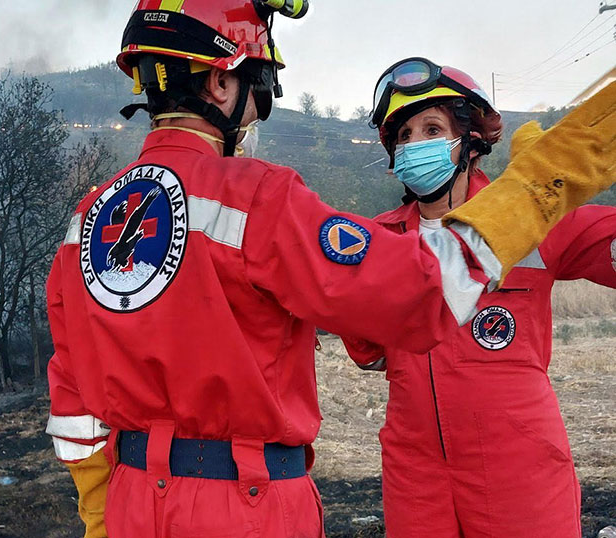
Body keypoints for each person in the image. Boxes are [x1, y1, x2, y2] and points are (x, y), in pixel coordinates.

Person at [44, 2, 616, 536]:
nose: (258, 104)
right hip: (245, 502)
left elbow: (72, 400)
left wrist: (104, 510)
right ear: (220, 81)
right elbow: (420, 295)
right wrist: (540, 185)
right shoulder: (259, 200)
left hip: (131, 500)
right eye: (257, 84)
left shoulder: (86, 221)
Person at [342, 56, 616, 537]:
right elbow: (368, 353)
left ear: (470, 141)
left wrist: (562, 188)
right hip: (415, 471)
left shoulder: (530, 210)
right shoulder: (374, 240)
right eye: (403, 137)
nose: (413, 147)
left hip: (521, 462)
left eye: (431, 128)